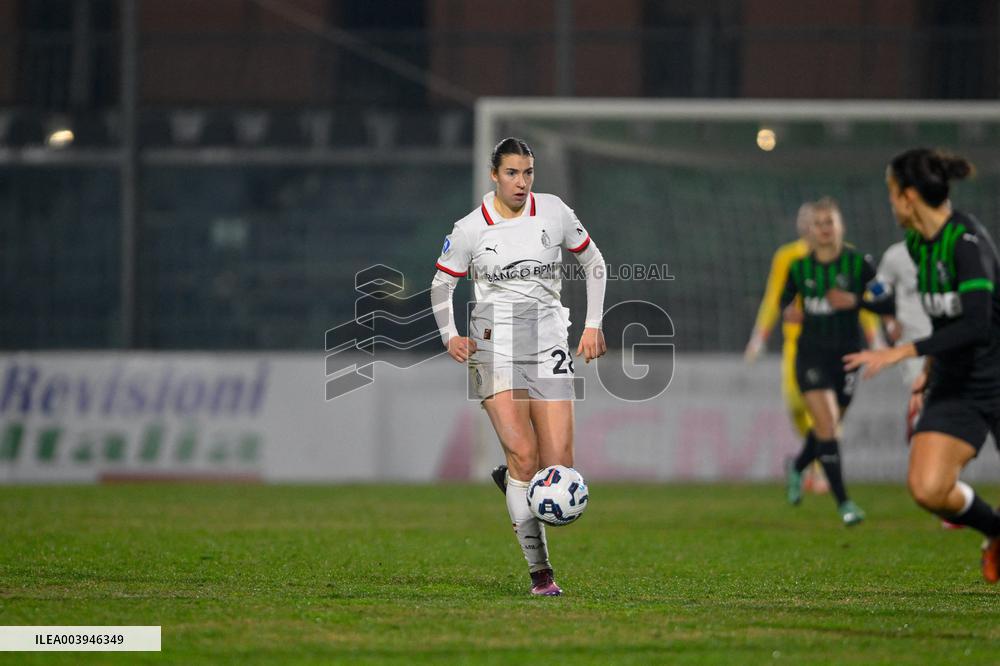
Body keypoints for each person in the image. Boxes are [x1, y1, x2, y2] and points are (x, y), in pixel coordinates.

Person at [430, 138, 607, 596]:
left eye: (528, 172)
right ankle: (540, 574)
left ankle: (512, 483)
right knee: (526, 458)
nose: (522, 182)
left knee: (560, 470)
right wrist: (450, 335)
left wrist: (592, 325)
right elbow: (440, 285)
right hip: (493, 345)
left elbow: (593, 261)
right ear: (495, 174)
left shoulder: (553, 211)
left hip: (548, 338)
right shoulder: (470, 229)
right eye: (512, 173)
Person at [845, 148, 1000, 582]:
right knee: (928, 489)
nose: (890, 203)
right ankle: (996, 531)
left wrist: (903, 351)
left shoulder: (966, 242)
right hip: (956, 382)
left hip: (996, 373)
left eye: (892, 194)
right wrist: (930, 368)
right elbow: (943, 318)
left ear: (909, 196)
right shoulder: (919, 246)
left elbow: (976, 323)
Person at [746, 204, 881, 494]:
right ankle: (810, 461)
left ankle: (820, 472)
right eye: (809, 221)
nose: (814, 226)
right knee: (798, 406)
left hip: (841, 345)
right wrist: (759, 337)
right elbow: (774, 299)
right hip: (799, 344)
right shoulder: (788, 257)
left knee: (829, 414)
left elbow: (866, 299)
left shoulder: (852, 258)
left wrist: (876, 338)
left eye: (823, 221)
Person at [780, 198, 895, 525]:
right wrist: (789, 311)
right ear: (809, 231)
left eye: (830, 222)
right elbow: (784, 301)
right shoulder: (799, 268)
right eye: (819, 224)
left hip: (847, 357)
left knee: (826, 427)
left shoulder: (862, 264)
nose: (825, 229)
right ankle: (844, 503)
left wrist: (857, 302)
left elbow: (887, 300)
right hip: (811, 356)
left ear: (840, 226)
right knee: (829, 425)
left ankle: (798, 465)